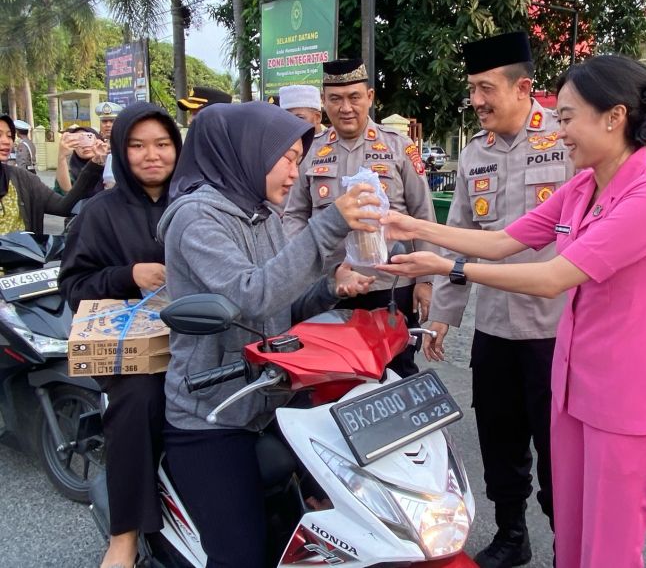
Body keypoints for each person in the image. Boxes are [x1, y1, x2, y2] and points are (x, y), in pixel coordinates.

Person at [377, 55, 646, 568]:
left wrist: (453, 270)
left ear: (614, 116)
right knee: (574, 524)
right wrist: (409, 225)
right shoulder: (584, 187)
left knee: (609, 544)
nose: (560, 132)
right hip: (574, 377)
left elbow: (551, 278)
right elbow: (500, 241)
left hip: (627, 388)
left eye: (566, 118)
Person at [158, 101, 380, 568]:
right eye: (286, 159)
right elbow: (251, 295)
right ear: (248, 152)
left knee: (318, 527)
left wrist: (330, 290)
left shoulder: (262, 215)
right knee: (240, 554)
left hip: (272, 398)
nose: (294, 173)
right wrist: (331, 222)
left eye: (299, 161)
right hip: (213, 415)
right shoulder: (197, 218)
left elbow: (284, 306)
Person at [425, 31, 574, 568]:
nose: (477, 101)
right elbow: (458, 235)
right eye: (472, 90)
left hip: (556, 330)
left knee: (559, 451)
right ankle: (512, 535)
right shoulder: (472, 155)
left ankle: (569, 546)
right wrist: (443, 315)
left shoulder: (567, 140)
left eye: (486, 89)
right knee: (498, 438)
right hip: (494, 327)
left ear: (523, 87)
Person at [58, 102, 183, 568]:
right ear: (120, 151)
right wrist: (128, 275)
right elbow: (73, 285)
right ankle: (125, 533)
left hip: (199, 339)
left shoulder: (197, 202)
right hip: (133, 350)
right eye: (137, 146)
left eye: (163, 144)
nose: (152, 155)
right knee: (138, 400)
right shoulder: (99, 213)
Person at [282, 58, 437, 378]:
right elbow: (294, 213)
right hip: (330, 287)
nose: (346, 107)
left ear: (370, 96)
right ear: (324, 103)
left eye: (354, 97)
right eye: (336, 99)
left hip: (391, 287)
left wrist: (426, 280)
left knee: (396, 370)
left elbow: (423, 213)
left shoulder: (398, 147)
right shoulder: (310, 151)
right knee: (332, 374)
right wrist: (302, 261)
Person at [0, 115, 105, 234]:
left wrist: (95, 162)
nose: (6, 141)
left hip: (21, 252)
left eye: (9, 136)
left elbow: (64, 206)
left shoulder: (22, 178)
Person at [96, 101, 123, 189]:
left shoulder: (126, 145)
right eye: (104, 121)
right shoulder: (96, 146)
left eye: (112, 121)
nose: (108, 125)